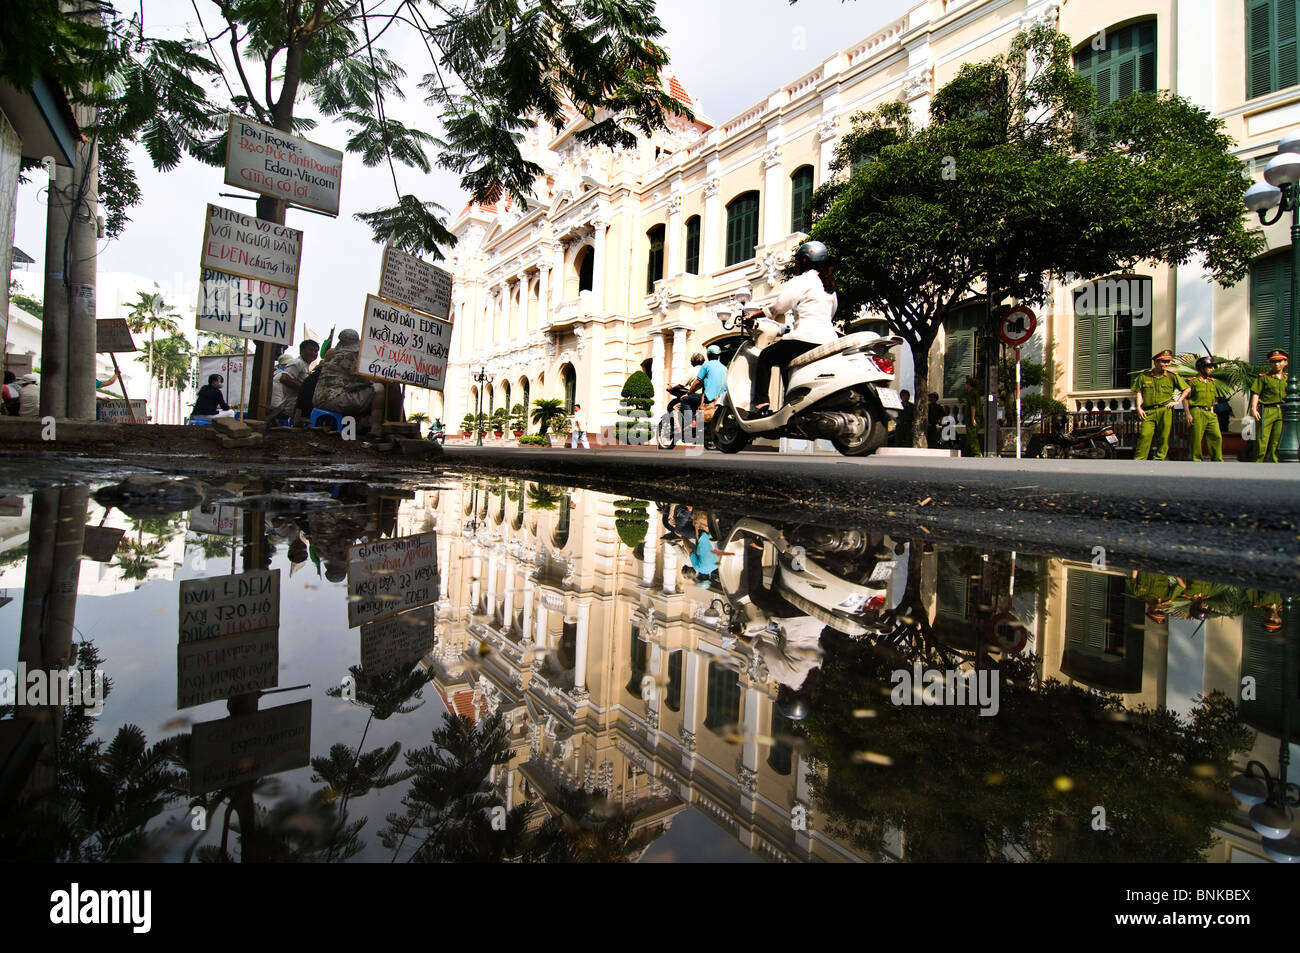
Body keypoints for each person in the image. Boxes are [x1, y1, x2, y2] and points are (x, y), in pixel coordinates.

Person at [751, 240, 839, 413]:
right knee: (785, 363)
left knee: (765, 357)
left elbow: (779, 306)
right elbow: (832, 312)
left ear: (805, 260)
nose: (797, 264)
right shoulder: (829, 286)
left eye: (799, 260)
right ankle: (791, 404)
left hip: (804, 338)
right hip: (828, 339)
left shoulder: (802, 280)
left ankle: (761, 404)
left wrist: (756, 314)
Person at [314, 329, 395, 437]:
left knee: (362, 392)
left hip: (318, 399)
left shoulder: (333, 357)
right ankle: (376, 429)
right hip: (334, 400)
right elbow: (367, 379)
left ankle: (360, 425)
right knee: (378, 388)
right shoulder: (350, 357)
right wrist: (387, 379)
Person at [1132, 349, 1188, 461]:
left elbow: (1187, 388)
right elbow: (1139, 393)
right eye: (1163, 361)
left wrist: (1177, 401)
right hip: (1149, 411)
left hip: (1165, 410)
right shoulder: (1144, 376)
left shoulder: (1172, 376)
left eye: (1168, 362)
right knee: (1145, 435)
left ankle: (1159, 459)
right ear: (1155, 362)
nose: (1167, 364)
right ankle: (1139, 459)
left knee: (1163, 436)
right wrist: (1138, 407)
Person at [1250, 348, 1288, 462]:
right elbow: (1256, 393)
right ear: (1270, 363)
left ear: (1285, 362)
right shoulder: (1263, 377)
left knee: (1277, 439)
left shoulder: (1288, 379)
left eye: (1280, 361)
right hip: (1267, 410)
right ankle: (1257, 462)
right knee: (1262, 439)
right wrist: (1253, 408)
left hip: (1282, 410)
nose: (1276, 364)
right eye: (1273, 361)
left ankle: (1274, 463)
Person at [684, 344, 728, 439]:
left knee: (685, 400)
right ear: (719, 356)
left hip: (708, 398)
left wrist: (688, 393)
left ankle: (693, 422)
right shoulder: (725, 368)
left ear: (708, 356)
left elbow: (697, 382)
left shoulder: (706, 365)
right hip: (720, 399)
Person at [1184, 356, 1223, 461]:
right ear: (1201, 368)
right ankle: (1196, 460)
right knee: (1196, 438)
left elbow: (1212, 399)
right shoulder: (1192, 382)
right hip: (1197, 411)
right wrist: (1188, 414)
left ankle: (1217, 459)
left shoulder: (1211, 382)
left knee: (1216, 436)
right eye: (1209, 367)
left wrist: (1212, 411)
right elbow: (1186, 399)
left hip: (1209, 412)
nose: (1212, 369)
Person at [270, 340, 319, 423]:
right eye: (310, 350)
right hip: (291, 407)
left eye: (316, 351)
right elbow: (284, 378)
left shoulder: (305, 365)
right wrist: (305, 389)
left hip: (296, 407)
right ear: (302, 350)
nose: (313, 353)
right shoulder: (297, 363)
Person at [961, 376, 982, 457]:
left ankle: (977, 453)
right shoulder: (975, 392)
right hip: (975, 416)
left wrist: (973, 418)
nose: (965, 385)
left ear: (969, 384)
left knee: (972, 436)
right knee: (970, 435)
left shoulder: (972, 393)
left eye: (966, 383)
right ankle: (969, 452)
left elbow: (973, 406)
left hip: (972, 417)